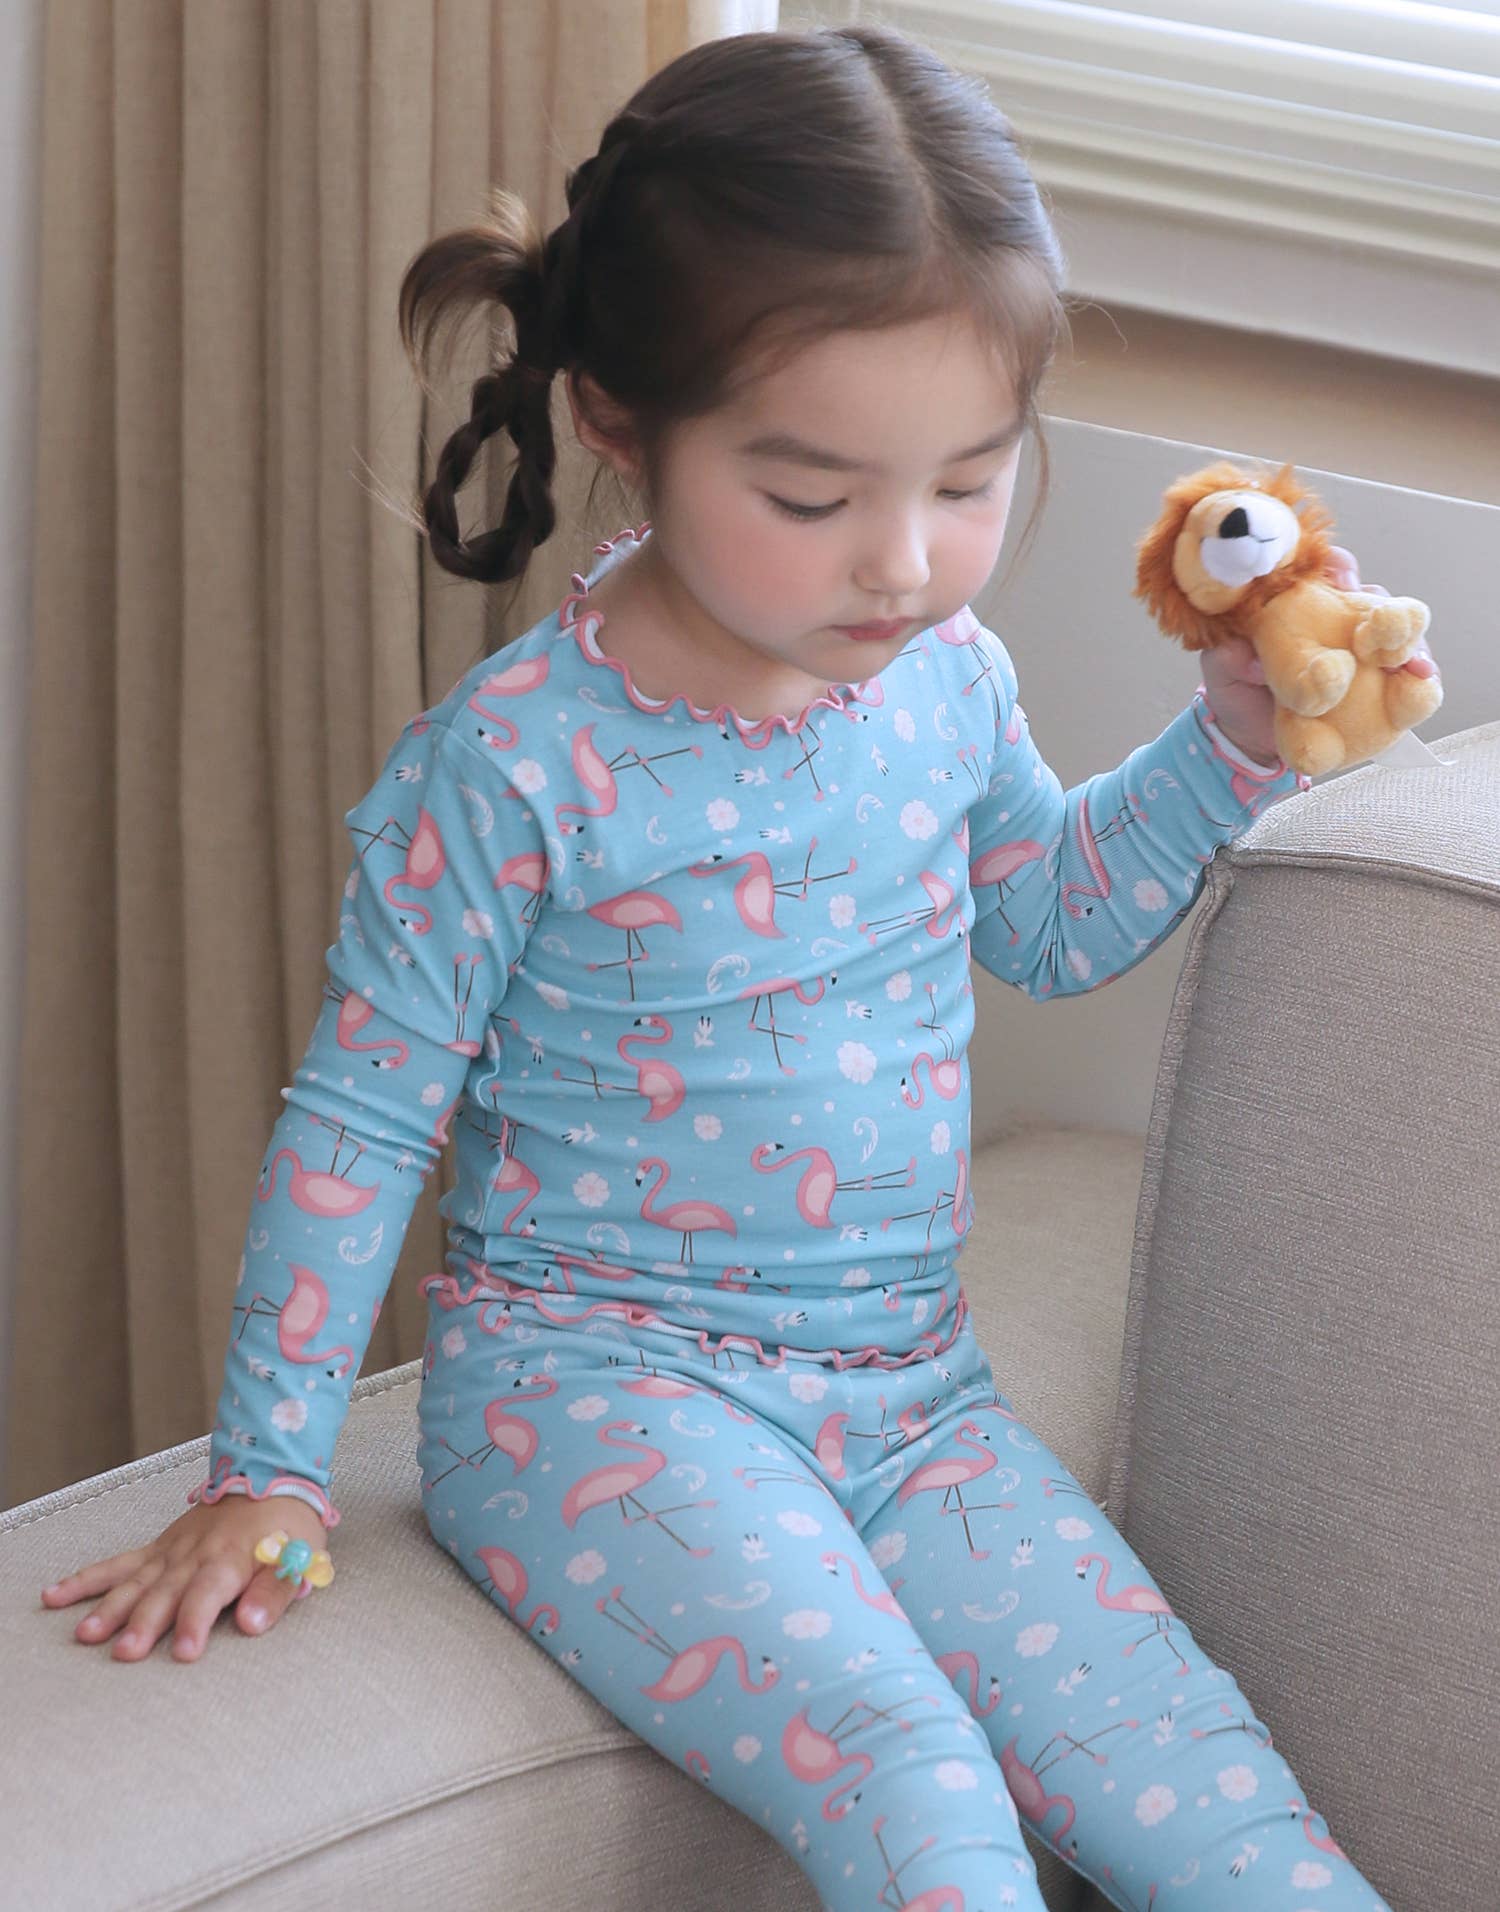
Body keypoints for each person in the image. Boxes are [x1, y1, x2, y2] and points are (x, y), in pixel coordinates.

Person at [42, 23, 1429, 1909]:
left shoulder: (948, 682)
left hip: (913, 1400)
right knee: (915, 1783)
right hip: (588, 1401)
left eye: (970, 480)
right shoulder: (513, 767)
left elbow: (1048, 919)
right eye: (811, 498)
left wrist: (1228, 747)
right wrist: (267, 1473)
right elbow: (360, 1123)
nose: (905, 565)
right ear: (622, 421)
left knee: (1210, 1792)